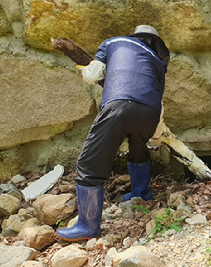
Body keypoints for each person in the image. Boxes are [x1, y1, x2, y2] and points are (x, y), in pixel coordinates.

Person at [56, 25, 170, 242]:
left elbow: (94, 75)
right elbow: (158, 96)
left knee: (90, 163)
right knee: (138, 146)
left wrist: (84, 69)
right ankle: (141, 193)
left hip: (118, 105)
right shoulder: (157, 61)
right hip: (150, 112)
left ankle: (88, 225)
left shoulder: (113, 42)